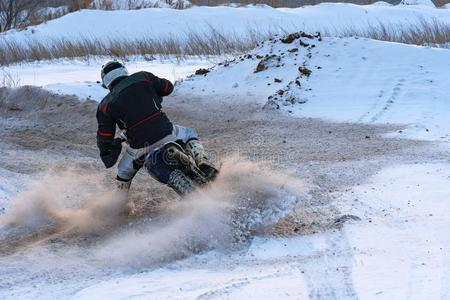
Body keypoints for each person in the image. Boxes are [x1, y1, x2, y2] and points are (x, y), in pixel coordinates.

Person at [96, 61, 216, 197]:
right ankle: (202, 160)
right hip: (168, 132)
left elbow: (104, 137)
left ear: (106, 80)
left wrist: (108, 150)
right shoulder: (143, 77)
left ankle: (119, 204)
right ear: (123, 70)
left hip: (139, 147)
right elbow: (167, 87)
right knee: (190, 133)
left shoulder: (104, 106)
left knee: (123, 173)